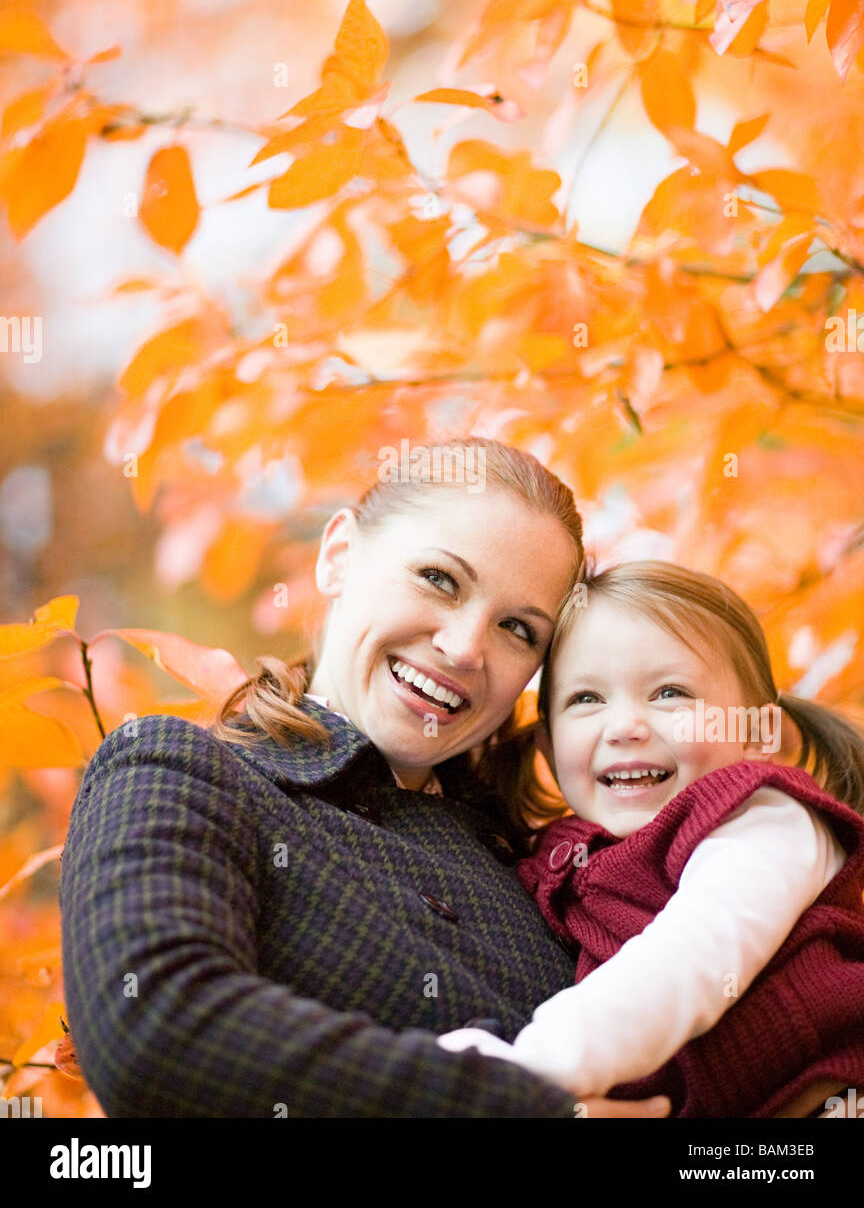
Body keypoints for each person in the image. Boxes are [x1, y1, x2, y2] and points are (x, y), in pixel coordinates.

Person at [59, 437, 674, 1118]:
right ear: (338, 557)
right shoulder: (182, 771)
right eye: (440, 579)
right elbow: (156, 1032)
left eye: (518, 629)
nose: (465, 647)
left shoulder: (541, 871)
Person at [438, 560, 864, 1118]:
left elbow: (689, 961)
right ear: (546, 745)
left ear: (760, 732)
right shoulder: (554, 860)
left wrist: (527, 1070)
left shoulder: (765, 817)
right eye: (586, 698)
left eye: (669, 692)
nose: (625, 727)